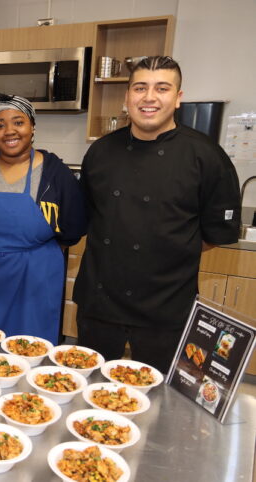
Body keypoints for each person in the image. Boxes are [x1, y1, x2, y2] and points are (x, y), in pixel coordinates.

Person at [73, 56, 241, 373]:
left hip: (167, 309)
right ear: (127, 98)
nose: (149, 97)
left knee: (160, 400)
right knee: (92, 392)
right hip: (99, 303)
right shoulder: (101, 151)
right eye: (140, 88)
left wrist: (165, 250)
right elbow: (93, 219)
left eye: (162, 88)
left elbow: (213, 234)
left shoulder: (206, 156)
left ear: (177, 98)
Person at [0, 93, 87, 343]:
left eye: (18, 122)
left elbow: (73, 229)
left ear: (32, 127)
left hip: (30, 285)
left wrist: (29, 255)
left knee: (26, 353)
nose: (9, 131)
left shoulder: (56, 173)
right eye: (0, 125)